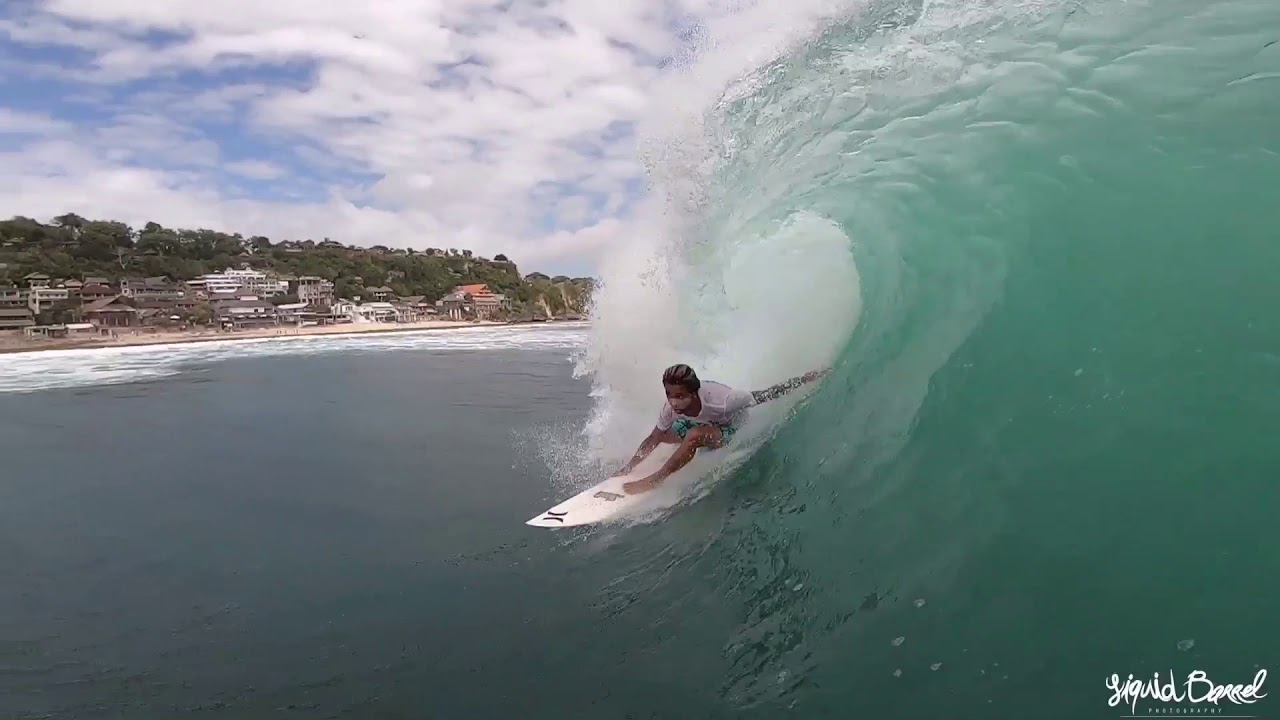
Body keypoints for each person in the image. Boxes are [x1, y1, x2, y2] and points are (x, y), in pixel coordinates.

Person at [618, 363, 829, 494]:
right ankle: (662, 461)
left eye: (679, 396)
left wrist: (803, 379)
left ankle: (657, 479)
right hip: (702, 422)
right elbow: (654, 437)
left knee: (693, 436)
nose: (673, 402)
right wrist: (629, 468)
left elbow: (767, 394)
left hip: (728, 428)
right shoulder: (670, 408)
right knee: (662, 436)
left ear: (693, 393)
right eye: (669, 394)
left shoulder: (726, 401)